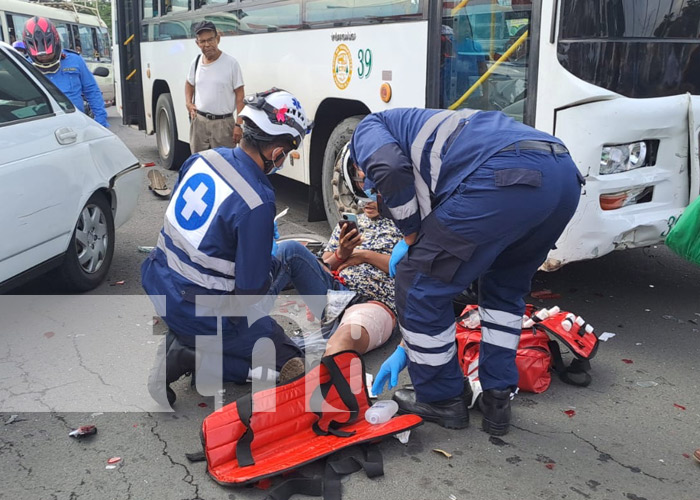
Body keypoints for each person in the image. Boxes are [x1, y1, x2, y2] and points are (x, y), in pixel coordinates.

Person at [352, 107, 583, 435]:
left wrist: (409, 234)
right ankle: (497, 397)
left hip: (508, 175)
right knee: (504, 288)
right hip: (563, 178)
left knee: (419, 284)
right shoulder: (433, 138)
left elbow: (388, 167)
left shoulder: (368, 127)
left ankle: (442, 399)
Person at [141, 88, 312, 405]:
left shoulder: (202, 158)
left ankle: (190, 341)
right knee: (292, 365)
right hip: (198, 310)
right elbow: (249, 293)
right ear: (277, 153)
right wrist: (268, 262)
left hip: (159, 283)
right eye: (286, 152)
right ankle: (187, 353)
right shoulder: (257, 200)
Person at [272, 176, 403, 380]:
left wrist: (363, 255)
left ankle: (316, 379)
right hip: (335, 292)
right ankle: (239, 316)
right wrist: (341, 253)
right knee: (289, 250)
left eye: (374, 194)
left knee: (344, 339)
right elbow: (324, 265)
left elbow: (409, 270)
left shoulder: (404, 226)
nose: (366, 200)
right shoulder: (353, 222)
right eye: (362, 191)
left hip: (374, 302)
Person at [22, 17, 109, 128]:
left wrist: (100, 121)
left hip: (76, 123)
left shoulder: (74, 60)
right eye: (40, 56)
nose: (44, 58)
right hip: (43, 127)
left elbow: (92, 91)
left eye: (48, 54)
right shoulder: (25, 67)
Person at [185, 21, 245, 154]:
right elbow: (189, 84)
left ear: (218, 38)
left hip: (223, 126)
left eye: (210, 40)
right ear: (197, 43)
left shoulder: (231, 63)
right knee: (199, 165)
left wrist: (238, 125)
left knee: (224, 167)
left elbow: (240, 97)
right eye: (202, 41)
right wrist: (189, 103)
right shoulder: (195, 62)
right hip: (199, 124)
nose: (207, 45)